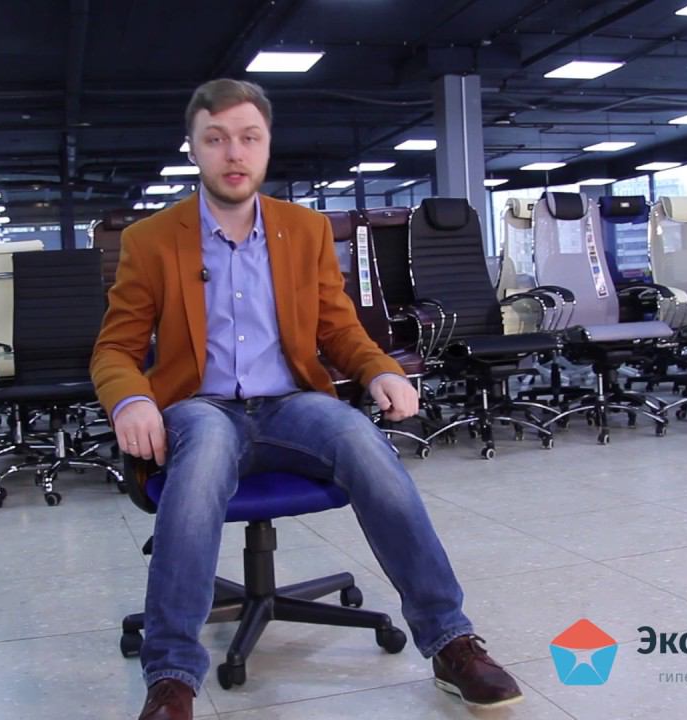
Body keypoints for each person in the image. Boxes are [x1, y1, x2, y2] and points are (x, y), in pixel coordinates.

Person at [91, 78, 522, 720]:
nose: (233, 153)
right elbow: (114, 349)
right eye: (216, 139)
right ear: (194, 149)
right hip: (200, 408)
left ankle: (450, 642)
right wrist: (131, 401)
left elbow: (338, 328)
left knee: (364, 444)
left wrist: (378, 371)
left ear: (267, 147)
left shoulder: (305, 229)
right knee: (202, 457)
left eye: (248, 138)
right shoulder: (152, 239)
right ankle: (172, 675)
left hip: (291, 404)